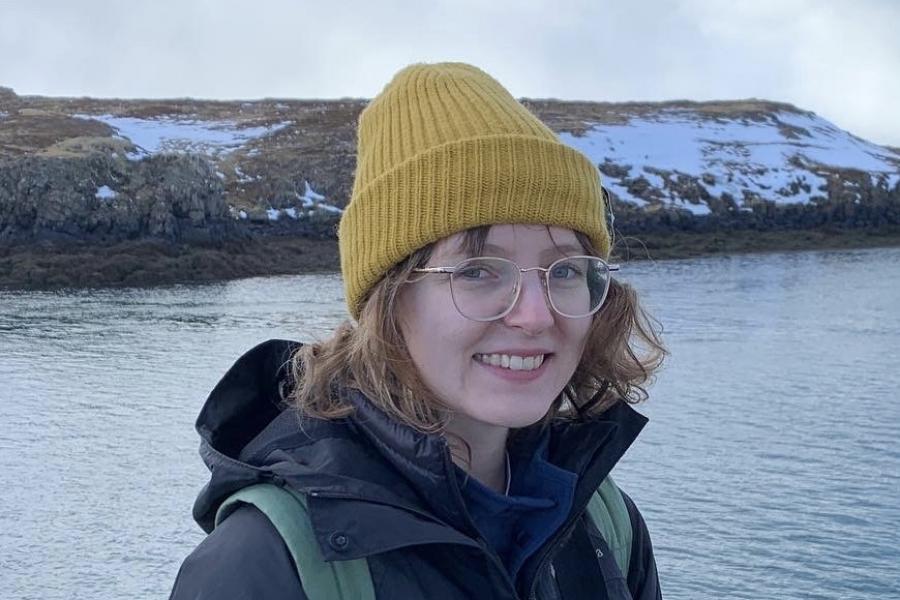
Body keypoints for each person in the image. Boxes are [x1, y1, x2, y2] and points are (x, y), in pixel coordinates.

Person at [169, 62, 666, 600]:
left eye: (565, 271)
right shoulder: (263, 565)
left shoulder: (603, 524)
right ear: (388, 299)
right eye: (477, 271)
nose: (535, 316)